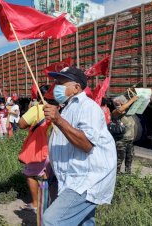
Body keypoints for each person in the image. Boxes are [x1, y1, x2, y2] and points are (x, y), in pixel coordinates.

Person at [42, 66, 117, 225]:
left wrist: (58, 120)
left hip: (86, 179)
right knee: (84, 223)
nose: (56, 86)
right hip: (73, 177)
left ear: (76, 88)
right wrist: (51, 168)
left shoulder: (87, 107)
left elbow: (86, 144)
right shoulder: (68, 108)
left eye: (61, 82)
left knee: (51, 220)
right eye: (56, 82)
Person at [18, 85, 51, 216]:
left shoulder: (38, 109)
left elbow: (21, 124)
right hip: (52, 148)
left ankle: (36, 204)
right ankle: (47, 201)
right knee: (46, 175)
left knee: (30, 174)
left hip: (39, 148)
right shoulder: (58, 109)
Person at [111, 95, 139, 174]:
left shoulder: (129, 112)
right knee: (119, 160)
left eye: (120, 104)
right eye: (116, 104)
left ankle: (128, 175)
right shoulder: (115, 113)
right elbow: (120, 110)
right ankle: (116, 176)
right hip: (121, 141)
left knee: (129, 159)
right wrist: (132, 100)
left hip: (130, 141)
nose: (118, 106)